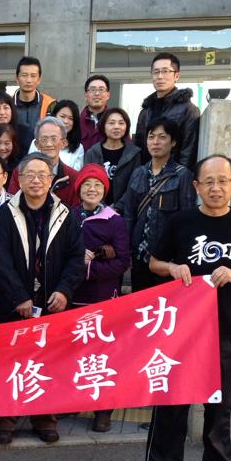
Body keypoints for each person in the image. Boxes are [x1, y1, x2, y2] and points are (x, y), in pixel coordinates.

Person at [144, 154, 231, 461]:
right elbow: (154, 262)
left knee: (220, 403)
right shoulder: (180, 222)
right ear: (196, 186)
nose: (215, 188)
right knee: (173, 399)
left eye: (222, 180)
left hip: (225, 329)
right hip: (181, 329)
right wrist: (172, 268)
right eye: (208, 181)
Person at [0, 152, 84, 446]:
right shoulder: (6, 214)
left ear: (51, 180)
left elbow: (76, 258)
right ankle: (6, 419)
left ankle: (45, 418)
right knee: (10, 362)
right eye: (30, 174)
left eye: (42, 175)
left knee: (48, 362)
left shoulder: (65, 214)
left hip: (53, 301)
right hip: (13, 304)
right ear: (19, 178)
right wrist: (18, 296)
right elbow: (0, 260)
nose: (36, 180)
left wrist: (65, 291)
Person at [71, 164, 131, 433]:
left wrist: (88, 269)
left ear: (104, 189)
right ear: (79, 189)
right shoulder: (69, 216)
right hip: (72, 296)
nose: (92, 189)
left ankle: (103, 410)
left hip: (103, 297)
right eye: (86, 185)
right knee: (72, 352)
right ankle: (70, 401)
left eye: (97, 185)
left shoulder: (114, 220)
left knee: (103, 355)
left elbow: (122, 262)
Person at [119, 117, 195, 292]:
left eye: (162, 137)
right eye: (151, 137)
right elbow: (129, 214)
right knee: (141, 307)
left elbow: (187, 218)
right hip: (139, 254)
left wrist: (180, 256)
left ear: (173, 142)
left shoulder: (182, 175)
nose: (156, 142)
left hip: (167, 259)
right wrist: (128, 249)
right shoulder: (138, 173)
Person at [134, 52, 201, 171]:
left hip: (174, 178)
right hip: (147, 177)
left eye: (165, 71)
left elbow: (188, 151)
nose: (160, 76)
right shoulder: (146, 111)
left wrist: (179, 179)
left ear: (177, 76)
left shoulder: (188, 110)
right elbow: (139, 148)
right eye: (156, 72)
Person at [7, 117, 79, 207]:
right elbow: (12, 206)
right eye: (44, 139)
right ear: (37, 144)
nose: (49, 144)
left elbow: (75, 213)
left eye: (54, 139)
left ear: (63, 143)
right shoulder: (20, 172)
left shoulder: (73, 177)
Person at [83, 107, 142, 209]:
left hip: (125, 210)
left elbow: (135, 185)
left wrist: (118, 207)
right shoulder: (92, 153)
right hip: (96, 209)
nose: (116, 127)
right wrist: (101, 207)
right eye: (111, 123)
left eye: (121, 123)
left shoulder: (134, 153)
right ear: (103, 126)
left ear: (126, 126)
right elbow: (86, 183)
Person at [12, 56, 54, 155]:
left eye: (33, 76)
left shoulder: (50, 104)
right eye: (24, 75)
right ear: (17, 78)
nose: (29, 80)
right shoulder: (7, 105)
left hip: (41, 158)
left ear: (39, 79)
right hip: (13, 160)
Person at [29, 99, 84, 171]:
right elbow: (29, 167)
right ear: (54, 116)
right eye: (62, 116)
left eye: (71, 118)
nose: (66, 121)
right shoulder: (37, 142)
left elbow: (76, 174)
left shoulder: (78, 147)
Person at [79, 74, 111, 152]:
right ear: (86, 95)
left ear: (108, 95)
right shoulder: (77, 122)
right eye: (92, 90)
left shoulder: (116, 121)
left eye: (101, 89)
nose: (97, 93)